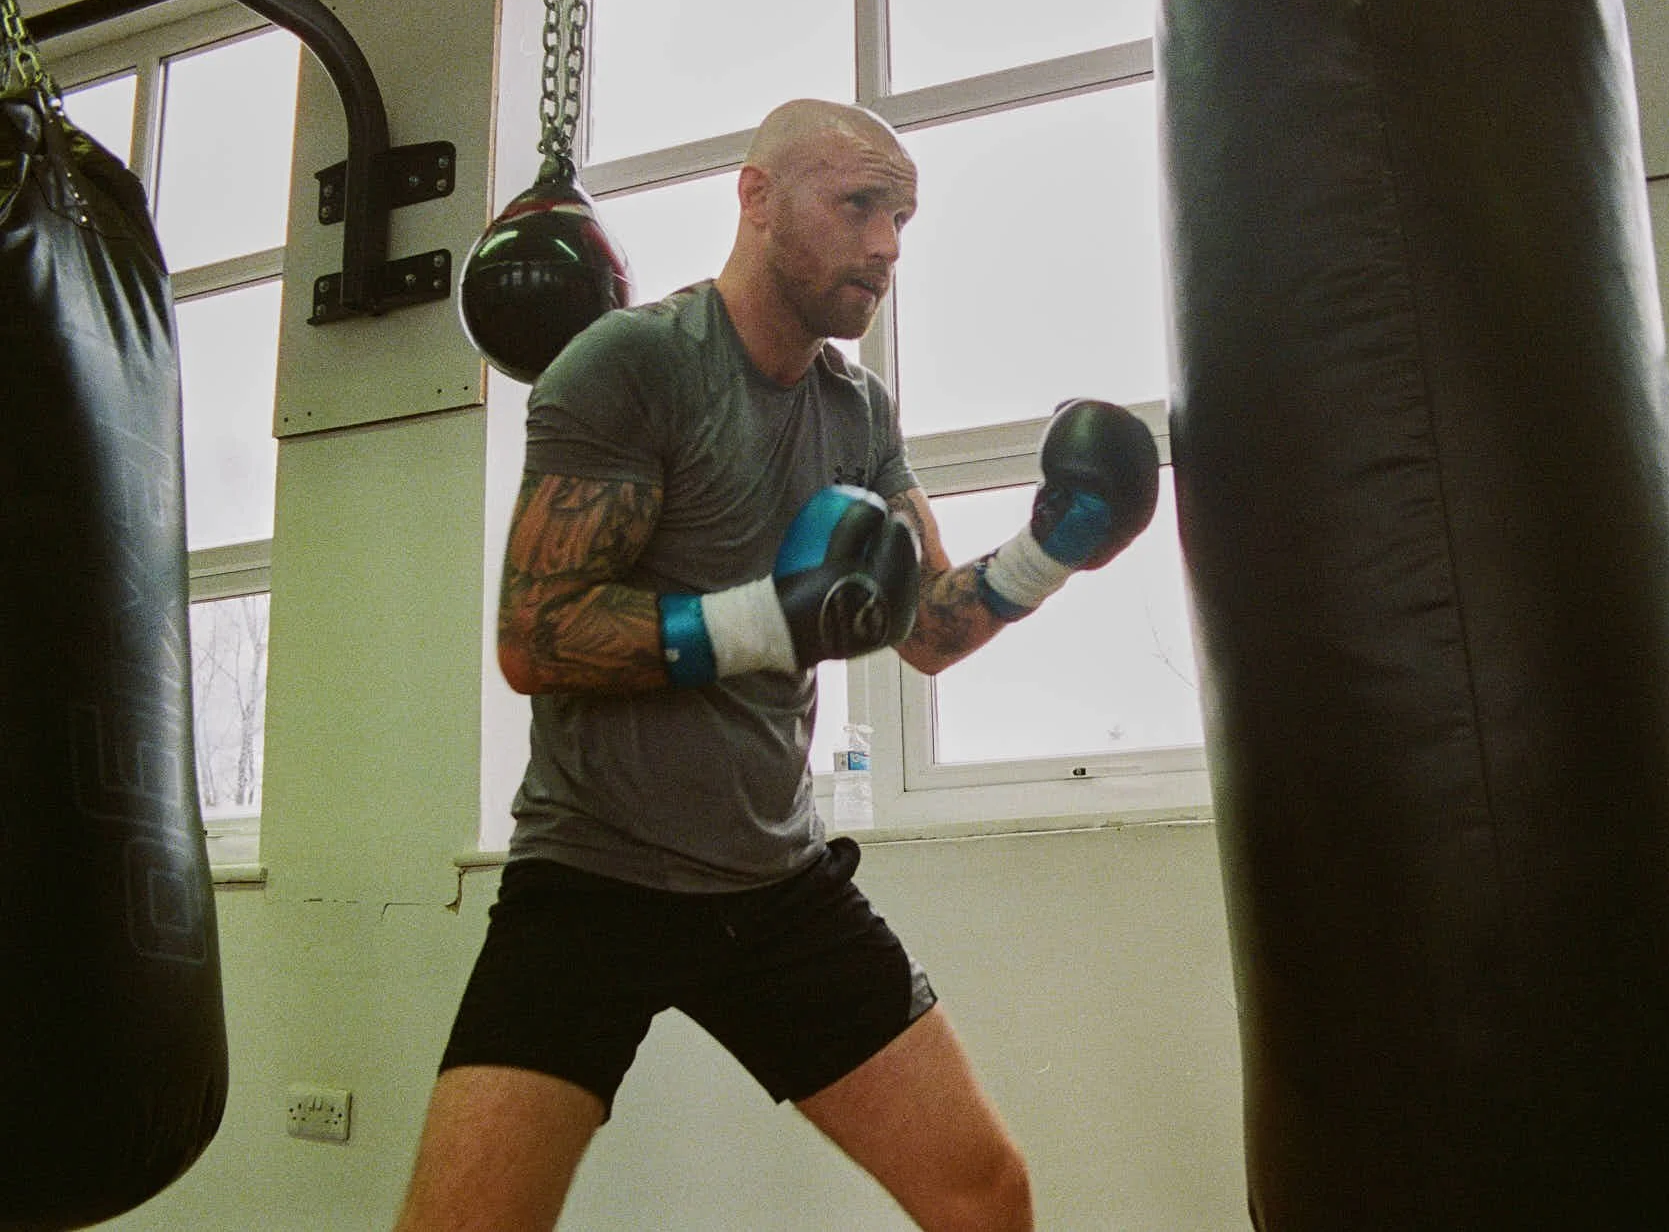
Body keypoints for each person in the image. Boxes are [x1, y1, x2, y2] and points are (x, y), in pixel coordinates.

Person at [394, 99, 1158, 1232]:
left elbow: (923, 630)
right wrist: (768, 622)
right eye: (859, 206)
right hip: (593, 878)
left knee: (983, 1194)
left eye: (900, 219)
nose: (887, 245)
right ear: (755, 198)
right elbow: (536, 633)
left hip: (773, 887)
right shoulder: (634, 363)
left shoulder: (857, 412)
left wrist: (1048, 551)